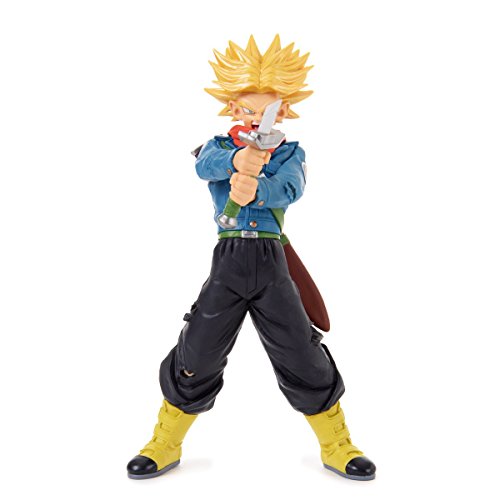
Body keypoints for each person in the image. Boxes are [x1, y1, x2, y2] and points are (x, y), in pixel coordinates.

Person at [127, 35, 376, 481]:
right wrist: (238, 161)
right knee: (198, 349)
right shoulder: (218, 148)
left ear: (283, 109)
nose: (256, 116)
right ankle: (165, 441)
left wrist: (257, 188)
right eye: (246, 108)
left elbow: (291, 188)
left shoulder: (289, 153)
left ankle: (337, 444)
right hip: (228, 259)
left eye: (267, 109)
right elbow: (204, 167)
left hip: (270, 259)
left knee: (301, 351)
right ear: (232, 107)